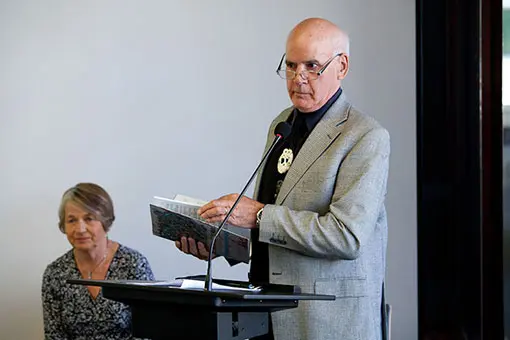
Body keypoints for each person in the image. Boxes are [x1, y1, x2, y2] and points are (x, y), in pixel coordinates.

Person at [176, 17, 390, 340]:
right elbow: (272, 226)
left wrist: (258, 215)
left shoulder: (365, 136)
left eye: (311, 66)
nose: (298, 77)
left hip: (325, 322)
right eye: (290, 66)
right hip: (263, 313)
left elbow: (347, 236)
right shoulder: (282, 124)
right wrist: (221, 242)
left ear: (342, 66)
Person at [42, 183, 155, 340]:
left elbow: (148, 331)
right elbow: (54, 336)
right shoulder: (55, 273)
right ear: (63, 226)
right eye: (72, 220)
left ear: (105, 222)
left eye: (89, 218)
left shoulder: (134, 264)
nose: (80, 229)